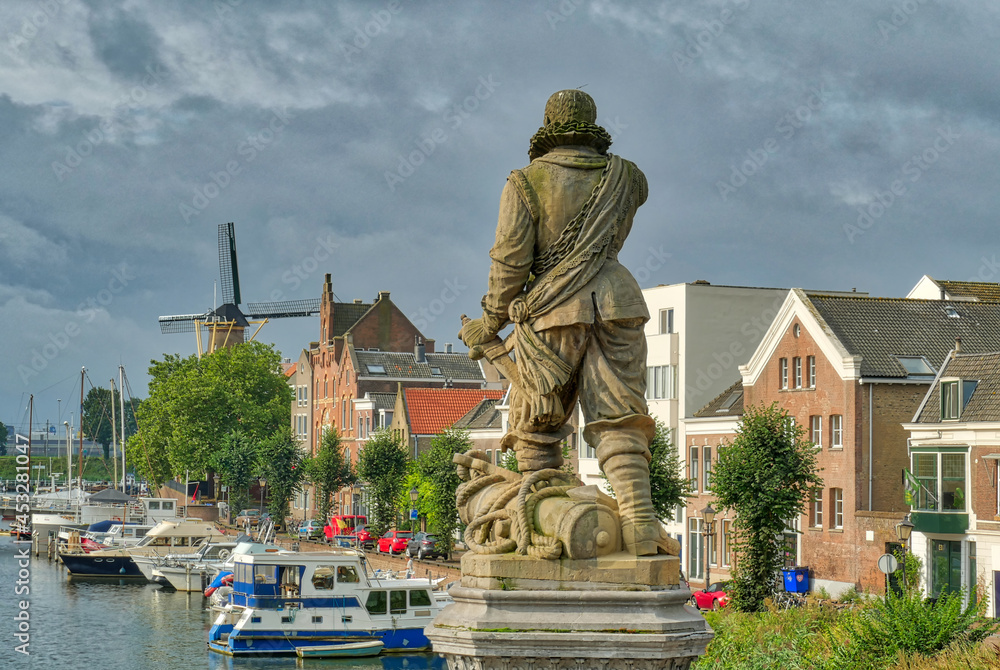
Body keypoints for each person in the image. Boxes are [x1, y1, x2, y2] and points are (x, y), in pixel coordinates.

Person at [459, 89, 677, 557]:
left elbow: (510, 263)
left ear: (547, 125)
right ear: (593, 124)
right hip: (618, 300)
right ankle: (640, 523)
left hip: (551, 310)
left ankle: (546, 515)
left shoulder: (524, 182)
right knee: (620, 416)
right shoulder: (629, 178)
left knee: (537, 418)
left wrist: (490, 320)